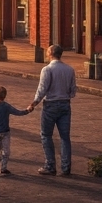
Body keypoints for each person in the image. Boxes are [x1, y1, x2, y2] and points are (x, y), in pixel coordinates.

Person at [28, 44, 78, 176]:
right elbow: (73, 91)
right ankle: (66, 167)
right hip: (65, 104)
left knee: (46, 135)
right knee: (65, 137)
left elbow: (42, 89)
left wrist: (34, 103)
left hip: (50, 104)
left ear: (50, 53)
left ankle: (50, 165)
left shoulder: (47, 70)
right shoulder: (69, 69)